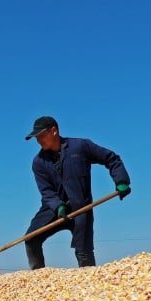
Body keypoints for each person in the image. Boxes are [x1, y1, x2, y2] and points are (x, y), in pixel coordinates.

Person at [23, 115, 130, 269]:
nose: (38, 140)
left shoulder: (80, 147)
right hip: (53, 209)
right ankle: (38, 278)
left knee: (84, 252)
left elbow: (111, 159)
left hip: (81, 207)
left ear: (54, 131)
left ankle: (88, 283)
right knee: (31, 239)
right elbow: (46, 191)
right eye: (36, 137)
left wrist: (121, 180)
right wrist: (58, 206)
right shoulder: (38, 162)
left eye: (41, 135)